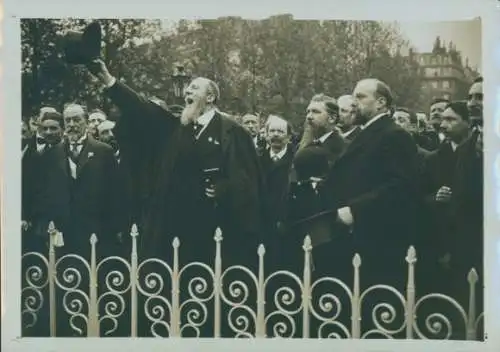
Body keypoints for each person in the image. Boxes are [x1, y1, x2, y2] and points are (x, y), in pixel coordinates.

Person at [85, 59, 264, 271]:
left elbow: (247, 177)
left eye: (195, 88)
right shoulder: (175, 128)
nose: (187, 90)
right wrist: (108, 79)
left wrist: (225, 188)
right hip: (175, 226)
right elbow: (140, 106)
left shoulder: (231, 131)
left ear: (210, 97)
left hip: (216, 228)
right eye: (187, 88)